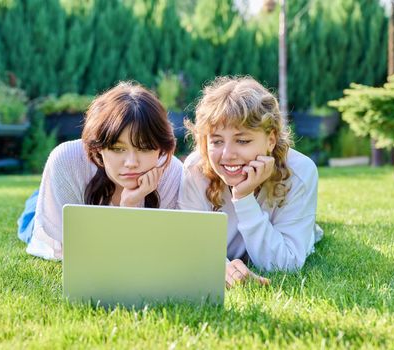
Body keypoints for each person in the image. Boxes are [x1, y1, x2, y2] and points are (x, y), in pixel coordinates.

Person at [179, 76, 323, 288]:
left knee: (307, 233)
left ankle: (312, 228)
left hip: (298, 232)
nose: (227, 154)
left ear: (271, 140)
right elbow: (189, 244)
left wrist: (244, 197)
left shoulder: (300, 172)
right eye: (217, 141)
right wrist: (221, 266)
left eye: (243, 140)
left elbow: (284, 266)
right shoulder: (195, 169)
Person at [17, 82, 183, 260]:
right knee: (29, 223)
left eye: (144, 148)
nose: (132, 163)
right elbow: (73, 251)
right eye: (118, 149)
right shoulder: (66, 160)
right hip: (67, 192)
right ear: (98, 149)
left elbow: (149, 249)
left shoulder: (172, 172)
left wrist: (129, 206)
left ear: (161, 148)